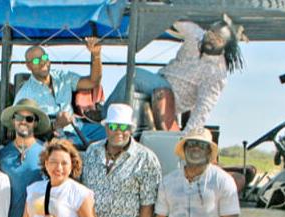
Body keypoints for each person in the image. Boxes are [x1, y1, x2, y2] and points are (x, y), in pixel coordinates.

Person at [105, 17, 245, 132]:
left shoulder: (217, 72)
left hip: (173, 96)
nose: (211, 39)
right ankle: (115, 121)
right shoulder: (197, 37)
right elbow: (176, 20)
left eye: (218, 39)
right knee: (132, 90)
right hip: (159, 80)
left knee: (134, 75)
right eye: (211, 33)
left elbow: (204, 106)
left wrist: (187, 135)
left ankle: (104, 116)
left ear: (226, 46)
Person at [14, 40, 106, 148]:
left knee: (109, 134)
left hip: (78, 127)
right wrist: (55, 125)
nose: (42, 62)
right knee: (94, 146)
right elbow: (20, 126)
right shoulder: (25, 93)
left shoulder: (63, 77)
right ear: (28, 66)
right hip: (54, 136)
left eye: (44, 58)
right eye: (35, 61)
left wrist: (96, 54)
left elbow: (93, 82)